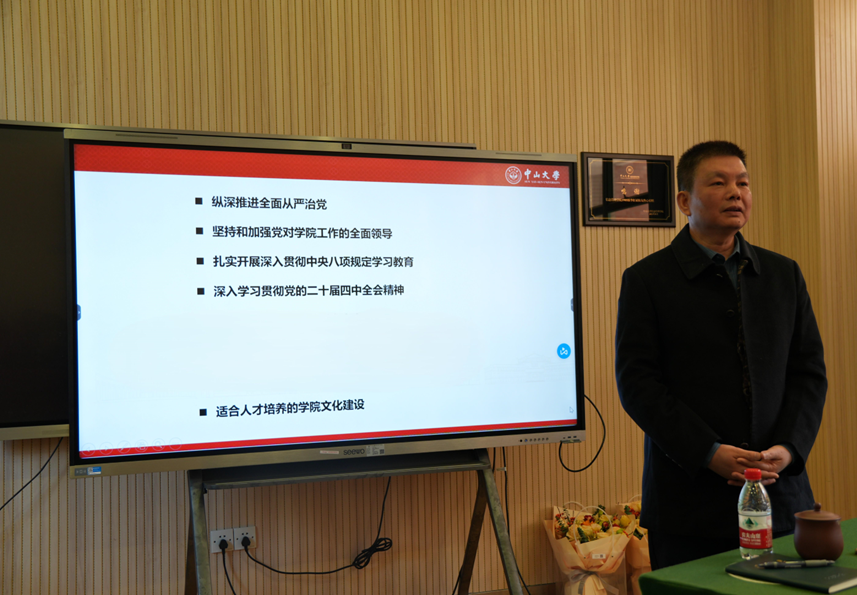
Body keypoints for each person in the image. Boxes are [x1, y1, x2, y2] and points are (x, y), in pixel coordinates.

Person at [615, 141, 827, 569]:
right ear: (684, 201)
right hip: (688, 504)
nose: (736, 193)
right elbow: (638, 385)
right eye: (718, 183)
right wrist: (708, 451)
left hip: (780, 494)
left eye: (743, 183)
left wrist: (788, 449)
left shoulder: (783, 274)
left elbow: (808, 373)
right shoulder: (647, 280)